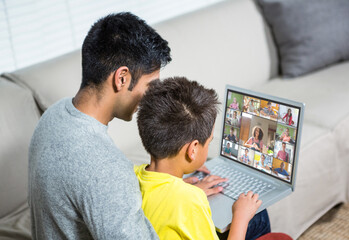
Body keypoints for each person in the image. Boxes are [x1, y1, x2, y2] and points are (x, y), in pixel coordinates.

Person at [27, 13, 221, 239]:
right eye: (151, 85)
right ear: (121, 78)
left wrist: (175, 194)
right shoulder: (106, 169)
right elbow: (103, 183)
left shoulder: (54, 115)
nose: (153, 96)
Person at [135, 77, 270, 240]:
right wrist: (240, 217)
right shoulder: (190, 201)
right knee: (259, 217)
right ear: (192, 150)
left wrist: (183, 189)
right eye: (209, 142)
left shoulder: (134, 175)